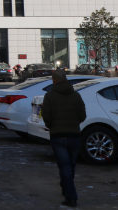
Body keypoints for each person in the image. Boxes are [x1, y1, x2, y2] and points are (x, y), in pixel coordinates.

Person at [40, 69, 86, 207]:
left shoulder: (49, 96)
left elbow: (46, 117)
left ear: (54, 81)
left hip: (58, 136)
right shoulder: (76, 95)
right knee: (71, 165)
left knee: (65, 167)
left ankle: (71, 197)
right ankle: (66, 187)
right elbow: (82, 115)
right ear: (66, 79)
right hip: (74, 135)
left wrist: (52, 126)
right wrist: (73, 124)